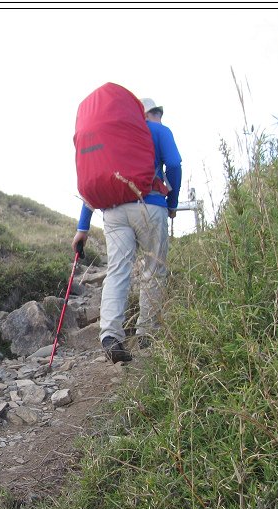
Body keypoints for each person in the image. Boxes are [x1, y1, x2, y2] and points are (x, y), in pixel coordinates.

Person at [72, 96, 182, 363]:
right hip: (150, 205)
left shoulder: (114, 135)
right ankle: (146, 333)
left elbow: (98, 180)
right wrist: (172, 203)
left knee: (117, 270)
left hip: (113, 211)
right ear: (153, 113)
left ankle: (111, 335)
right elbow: (175, 165)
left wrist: (82, 227)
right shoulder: (158, 130)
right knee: (153, 269)